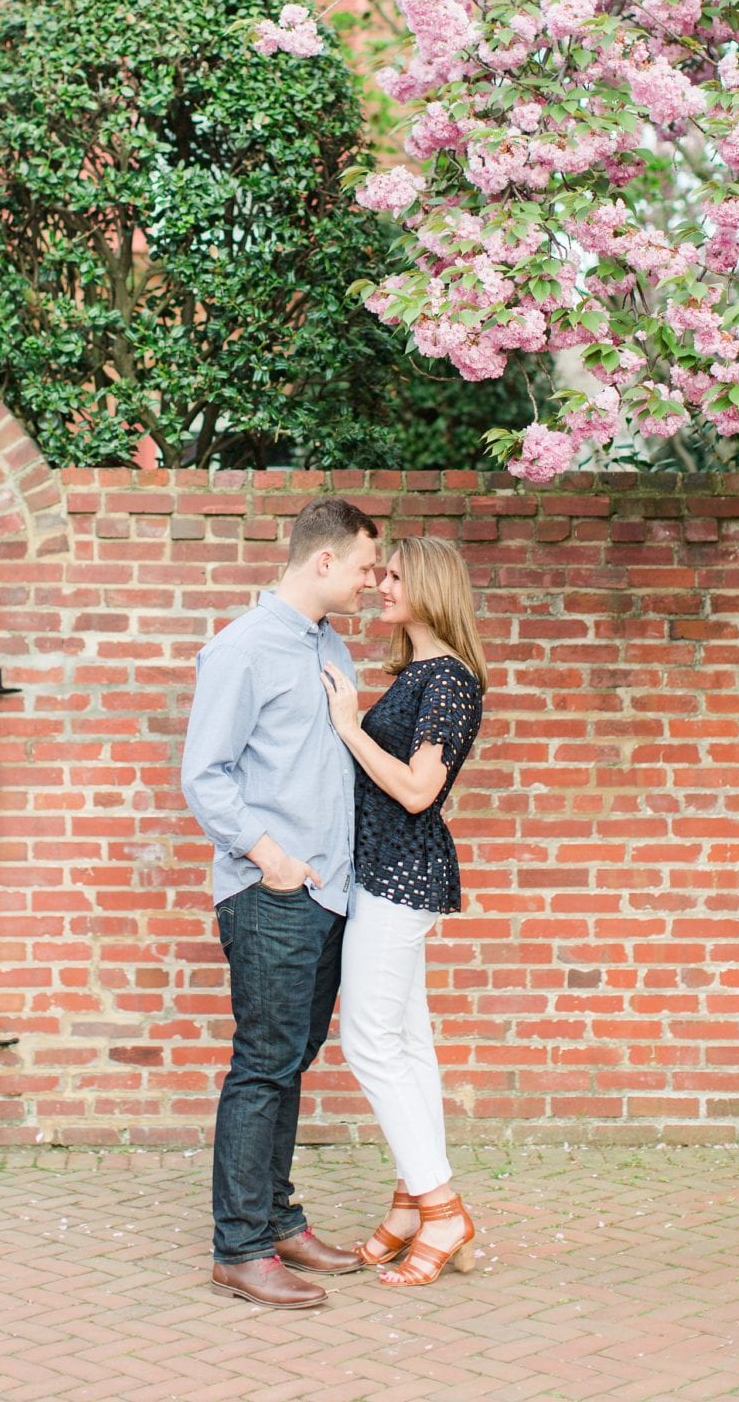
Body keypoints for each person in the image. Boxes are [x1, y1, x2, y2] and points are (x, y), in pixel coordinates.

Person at [181, 495, 380, 1310]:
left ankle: (279, 1218)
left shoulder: (330, 645)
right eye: (367, 566)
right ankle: (241, 1246)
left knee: (290, 1062)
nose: (373, 581)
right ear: (324, 560)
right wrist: (273, 862)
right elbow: (205, 775)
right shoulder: (243, 649)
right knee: (263, 1066)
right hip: (274, 893)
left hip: (326, 895)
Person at [321, 534, 486, 1289]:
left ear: (430, 586)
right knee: (409, 1045)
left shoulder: (448, 679)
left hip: (398, 876)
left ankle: (442, 1207)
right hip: (386, 875)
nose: (381, 585)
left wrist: (350, 727)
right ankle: (411, 1202)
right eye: (379, 573)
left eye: (394, 576)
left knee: (369, 1044)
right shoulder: (417, 672)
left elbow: (421, 791)